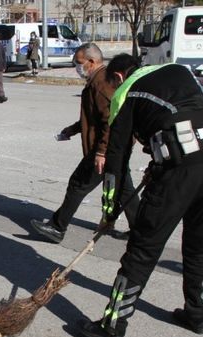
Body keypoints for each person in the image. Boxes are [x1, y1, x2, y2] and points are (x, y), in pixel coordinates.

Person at [78, 54, 203, 337]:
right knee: (198, 243)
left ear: (119, 77)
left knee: (142, 250)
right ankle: (197, 314)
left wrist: (109, 211)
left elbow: (116, 162)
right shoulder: (179, 72)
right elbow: (181, 118)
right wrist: (158, 163)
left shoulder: (126, 93)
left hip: (180, 168)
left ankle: (112, 327)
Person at [31, 43, 139, 244]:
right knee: (124, 188)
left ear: (91, 61)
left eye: (79, 63)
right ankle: (140, 231)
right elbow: (93, 118)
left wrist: (101, 152)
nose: (77, 67)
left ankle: (57, 227)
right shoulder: (99, 79)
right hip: (116, 147)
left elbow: (110, 121)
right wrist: (72, 130)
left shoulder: (101, 83)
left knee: (78, 185)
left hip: (106, 148)